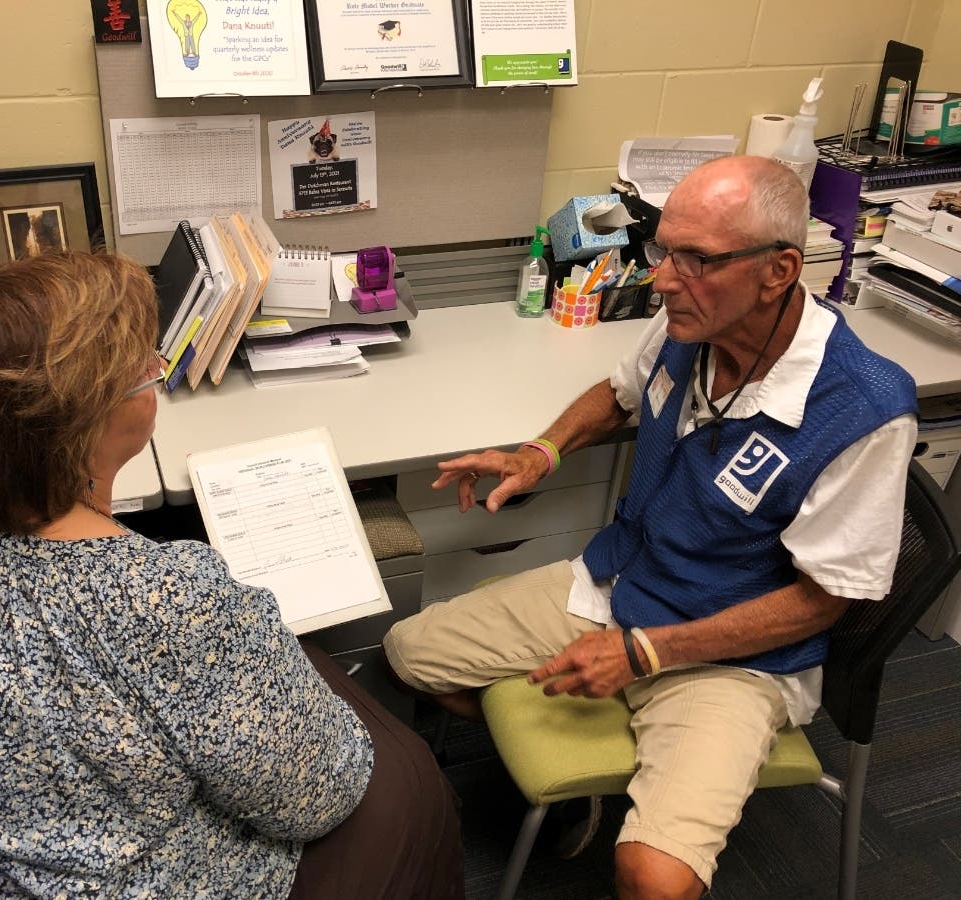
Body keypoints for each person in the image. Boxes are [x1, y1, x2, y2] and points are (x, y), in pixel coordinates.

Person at [0, 252, 464, 899]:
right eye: (148, 369)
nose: (156, 376)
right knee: (406, 781)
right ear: (88, 422)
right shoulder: (161, 596)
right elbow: (317, 796)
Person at [383, 156, 918, 899]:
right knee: (412, 653)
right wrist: (541, 452)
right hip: (620, 582)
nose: (663, 279)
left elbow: (823, 601)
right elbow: (617, 395)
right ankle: (595, 781)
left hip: (734, 654)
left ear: (778, 270)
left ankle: (644, 751)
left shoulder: (863, 408)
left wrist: (645, 656)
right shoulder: (689, 324)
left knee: (654, 880)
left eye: (695, 260)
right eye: (664, 251)